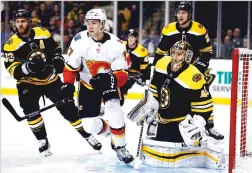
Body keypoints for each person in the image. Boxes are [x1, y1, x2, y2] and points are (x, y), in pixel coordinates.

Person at [3, 9, 102, 157]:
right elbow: (11, 69)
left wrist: (57, 59)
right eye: (18, 22)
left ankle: (86, 135)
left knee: (68, 107)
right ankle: (42, 140)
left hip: (51, 80)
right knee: (30, 112)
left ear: (29, 22)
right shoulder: (11, 45)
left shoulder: (43, 32)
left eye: (23, 21)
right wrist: (27, 68)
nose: (20, 25)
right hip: (28, 83)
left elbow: (55, 49)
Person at [127, 41, 225, 169]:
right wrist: (148, 108)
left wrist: (199, 123)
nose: (174, 57)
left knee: (185, 147)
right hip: (162, 123)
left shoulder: (195, 76)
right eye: (173, 52)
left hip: (181, 125)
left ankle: (203, 141)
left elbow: (205, 106)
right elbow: (154, 90)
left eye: (179, 54)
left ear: (187, 56)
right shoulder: (161, 64)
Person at [63, 8, 134, 164]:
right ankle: (112, 131)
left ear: (103, 24)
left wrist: (109, 80)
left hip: (108, 83)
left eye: (94, 23)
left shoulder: (117, 44)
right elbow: (70, 68)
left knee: (114, 108)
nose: (90, 27)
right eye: (88, 23)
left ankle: (120, 146)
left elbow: (122, 75)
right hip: (86, 84)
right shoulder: (79, 41)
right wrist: (68, 85)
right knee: (90, 126)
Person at [147, 1, 224, 139]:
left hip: (191, 69)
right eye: (178, 12)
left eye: (183, 12)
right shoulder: (168, 29)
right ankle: (154, 121)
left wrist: (199, 67)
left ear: (189, 14)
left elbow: (207, 51)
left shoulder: (199, 29)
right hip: (172, 66)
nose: (180, 15)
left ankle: (209, 125)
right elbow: (161, 51)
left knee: (202, 93)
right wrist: (156, 69)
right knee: (161, 91)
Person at [120, 29, 149, 105]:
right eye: (129, 37)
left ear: (136, 38)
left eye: (132, 37)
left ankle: (120, 102)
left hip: (133, 74)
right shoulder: (121, 45)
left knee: (123, 87)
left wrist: (143, 77)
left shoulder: (142, 51)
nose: (130, 39)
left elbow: (144, 67)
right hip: (120, 70)